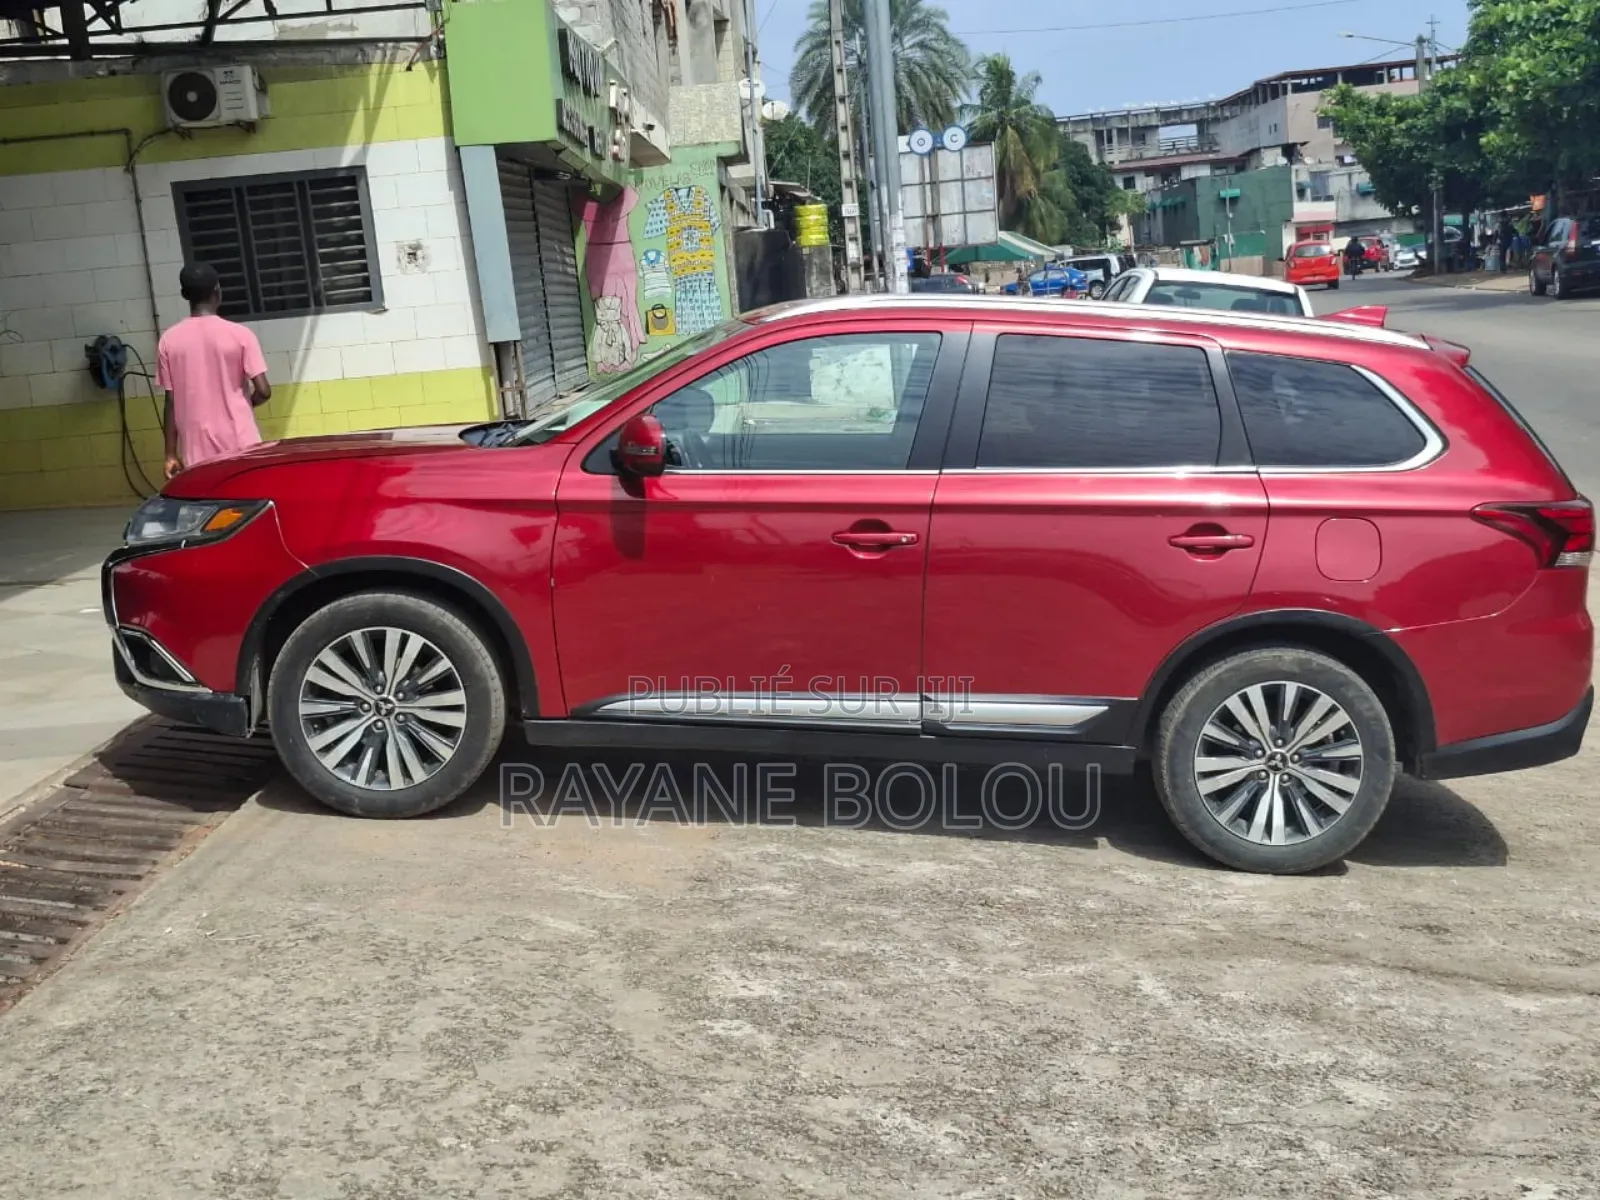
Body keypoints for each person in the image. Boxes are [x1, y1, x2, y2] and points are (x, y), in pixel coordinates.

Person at [156, 262, 270, 479]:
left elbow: (170, 401)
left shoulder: (168, 341)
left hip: (197, 452)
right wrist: (243, 405)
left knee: (209, 507)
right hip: (242, 442)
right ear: (218, 291)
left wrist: (170, 453)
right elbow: (264, 391)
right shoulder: (241, 335)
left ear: (184, 295)